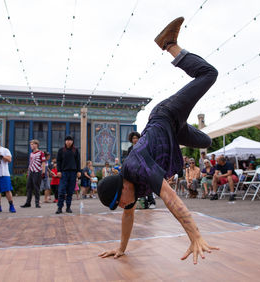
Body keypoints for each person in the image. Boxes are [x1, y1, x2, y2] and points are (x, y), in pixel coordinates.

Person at [97, 17, 218, 264]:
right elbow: (128, 218)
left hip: (167, 114)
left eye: (119, 202)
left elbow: (170, 197)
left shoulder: (135, 166)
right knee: (207, 142)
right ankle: (187, 124)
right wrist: (121, 248)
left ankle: (170, 44)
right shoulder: (129, 189)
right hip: (175, 131)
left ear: (123, 189)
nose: (123, 207)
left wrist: (194, 236)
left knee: (208, 74)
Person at [55, 135, 81, 214]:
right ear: (65, 141)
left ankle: (68, 207)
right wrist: (58, 171)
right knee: (61, 190)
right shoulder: (61, 150)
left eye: (70, 140)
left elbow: (78, 161)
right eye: (67, 140)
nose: (68, 142)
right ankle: (59, 207)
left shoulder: (75, 150)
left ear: (72, 141)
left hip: (73, 173)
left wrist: (79, 171)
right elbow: (58, 162)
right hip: (64, 173)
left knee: (70, 191)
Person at [21, 139, 45, 208]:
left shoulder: (41, 153)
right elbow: (30, 163)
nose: (31, 146)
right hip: (31, 172)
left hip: (37, 172)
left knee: (36, 188)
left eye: (32, 144)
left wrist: (43, 172)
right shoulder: (31, 154)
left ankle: (37, 203)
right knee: (29, 187)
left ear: (36, 145)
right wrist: (28, 172)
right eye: (30, 144)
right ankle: (28, 203)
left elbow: (43, 162)